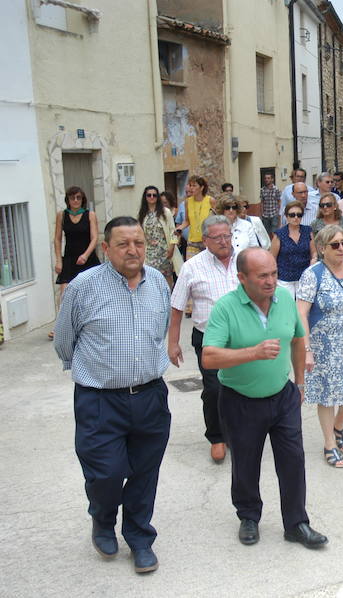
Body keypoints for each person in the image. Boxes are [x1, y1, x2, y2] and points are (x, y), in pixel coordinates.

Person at [53, 216, 171, 574]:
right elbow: (64, 342)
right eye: (122, 244)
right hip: (100, 400)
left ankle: (139, 538)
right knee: (105, 473)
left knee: (144, 473)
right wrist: (96, 372)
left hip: (150, 397)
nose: (132, 250)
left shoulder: (159, 286)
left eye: (137, 242)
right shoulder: (82, 287)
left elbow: (160, 332)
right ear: (106, 248)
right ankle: (103, 520)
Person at [202, 248, 328, 549]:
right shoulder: (226, 308)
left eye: (273, 273)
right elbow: (208, 357)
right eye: (263, 276)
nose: (271, 281)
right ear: (242, 278)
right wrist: (252, 353)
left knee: (293, 460)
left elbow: (298, 339)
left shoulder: (285, 298)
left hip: (282, 396)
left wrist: (299, 384)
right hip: (240, 399)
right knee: (246, 461)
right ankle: (248, 516)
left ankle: (297, 523)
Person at [296, 225, 343, 468]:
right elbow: (301, 314)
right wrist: (306, 350)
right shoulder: (313, 274)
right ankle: (329, 443)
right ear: (322, 248)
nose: (341, 248)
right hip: (323, 345)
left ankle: (339, 425)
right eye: (335, 245)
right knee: (327, 397)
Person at [168, 215, 238, 464]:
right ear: (205, 239)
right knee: (214, 389)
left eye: (227, 236)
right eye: (217, 237)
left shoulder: (245, 261)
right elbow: (176, 307)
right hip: (210, 339)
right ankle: (217, 437)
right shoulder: (192, 267)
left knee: (244, 387)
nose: (223, 241)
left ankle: (239, 432)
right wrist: (173, 343)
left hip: (244, 338)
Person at [53, 185, 100, 305]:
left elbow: (95, 238)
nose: (75, 200)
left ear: (82, 200)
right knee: (65, 295)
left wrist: (85, 255)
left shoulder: (90, 215)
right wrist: (59, 260)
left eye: (78, 198)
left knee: (91, 294)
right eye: (72, 197)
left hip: (87, 259)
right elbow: (57, 239)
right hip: (69, 259)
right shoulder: (61, 215)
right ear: (68, 200)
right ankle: (65, 322)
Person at [138, 185, 181, 289]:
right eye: (149, 195)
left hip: (164, 250)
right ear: (145, 197)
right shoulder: (143, 214)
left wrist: (171, 247)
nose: (152, 197)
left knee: (166, 277)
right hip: (149, 252)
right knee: (150, 277)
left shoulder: (165, 212)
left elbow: (172, 231)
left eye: (154, 195)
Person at [270, 200, 315, 299]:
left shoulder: (308, 231)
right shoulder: (279, 234)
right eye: (292, 215)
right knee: (286, 305)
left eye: (299, 215)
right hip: (284, 278)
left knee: (303, 306)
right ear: (286, 216)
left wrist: (314, 260)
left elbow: (314, 252)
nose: (295, 218)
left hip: (304, 276)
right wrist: (274, 276)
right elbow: (272, 257)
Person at [175, 175, 215, 260]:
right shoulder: (187, 202)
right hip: (192, 241)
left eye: (194, 186)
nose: (191, 188)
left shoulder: (210, 200)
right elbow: (187, 221)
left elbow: (217, 219)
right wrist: (179, 228)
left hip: (208, 241)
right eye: (190, 185)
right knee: (192, 268)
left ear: (201, 188)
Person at [310, 192, 343, 262]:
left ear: (335, 206)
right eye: (322, 205)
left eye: (328, 205)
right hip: (323, 261)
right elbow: (313, 245)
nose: (325, 207)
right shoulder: (315, 223)